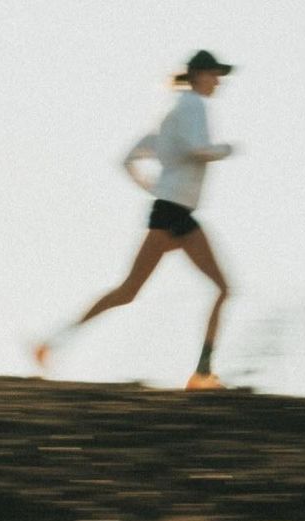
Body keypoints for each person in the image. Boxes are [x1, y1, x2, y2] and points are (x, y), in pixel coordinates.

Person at [33, 50, 237, 390]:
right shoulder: (194, 107)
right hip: (174, 213)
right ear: (201, 74)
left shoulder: (174, 113)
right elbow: (198, 149)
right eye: (215, 74)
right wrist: (225, 150)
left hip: (171, 211)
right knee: (216, 288)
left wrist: (153, 185)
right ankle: (201, 374)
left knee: (131, 291)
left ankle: (50, 343)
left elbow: (130, 157)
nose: (218, 81)